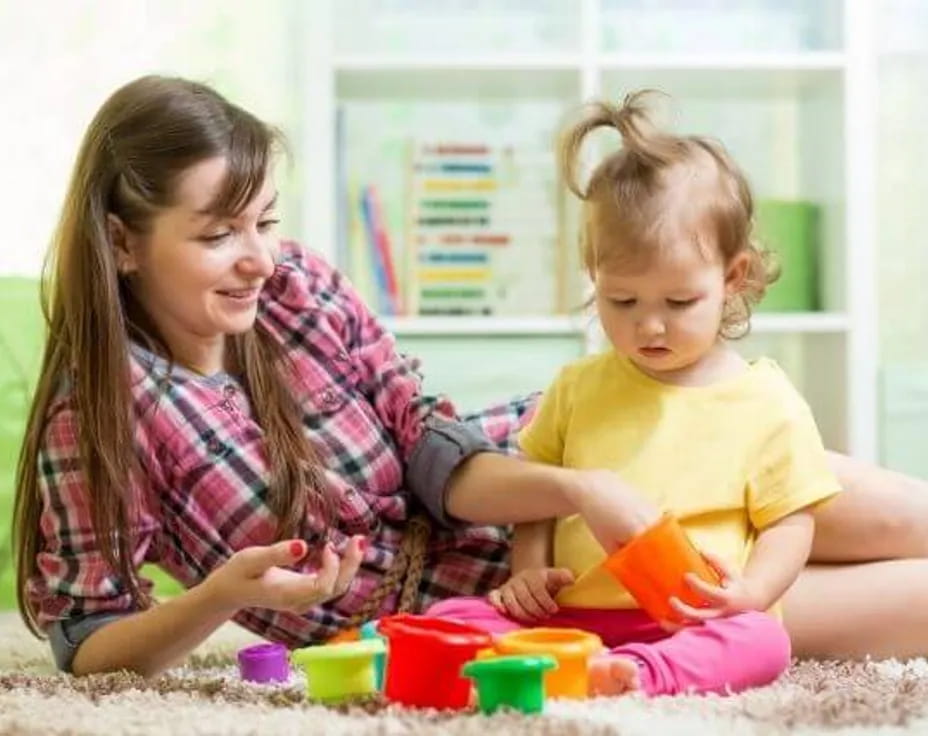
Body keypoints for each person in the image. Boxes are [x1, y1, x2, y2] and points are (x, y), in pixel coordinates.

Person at [12, 75, 928, 680]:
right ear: (123, 243)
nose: (258, 259)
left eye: (266, 221)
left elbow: (425, 441)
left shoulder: (298, 290)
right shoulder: (98, 417)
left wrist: (576, 484)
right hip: (507, 605)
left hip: (579, 453)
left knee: (891, 510)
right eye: (217, 236)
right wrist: (222, 596)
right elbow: (90, 643)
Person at [427, 92, 840, 697]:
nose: (650, 326)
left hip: (687, 620)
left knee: (762, 639)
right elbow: (537, 496)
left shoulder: (766, 399)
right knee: (453, 618)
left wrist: (752, 592)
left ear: (732, 277)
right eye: (622, 301)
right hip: (570, 620)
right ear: (594, 272)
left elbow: (790, 521)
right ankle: (559, 663)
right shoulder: (576, 387)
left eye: (678, 303)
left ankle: (643, 676)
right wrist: (529, 574)